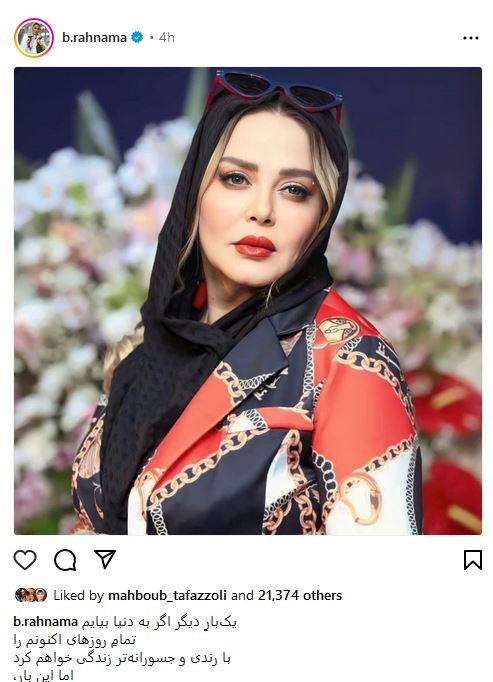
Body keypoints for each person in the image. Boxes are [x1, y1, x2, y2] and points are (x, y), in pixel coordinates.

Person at [72, 70, 422, 535]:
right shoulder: (153, 348)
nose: (262, 210)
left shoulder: (350, 360)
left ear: (322, 216)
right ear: (195, 191)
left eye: (295, 190)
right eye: (236, 178)